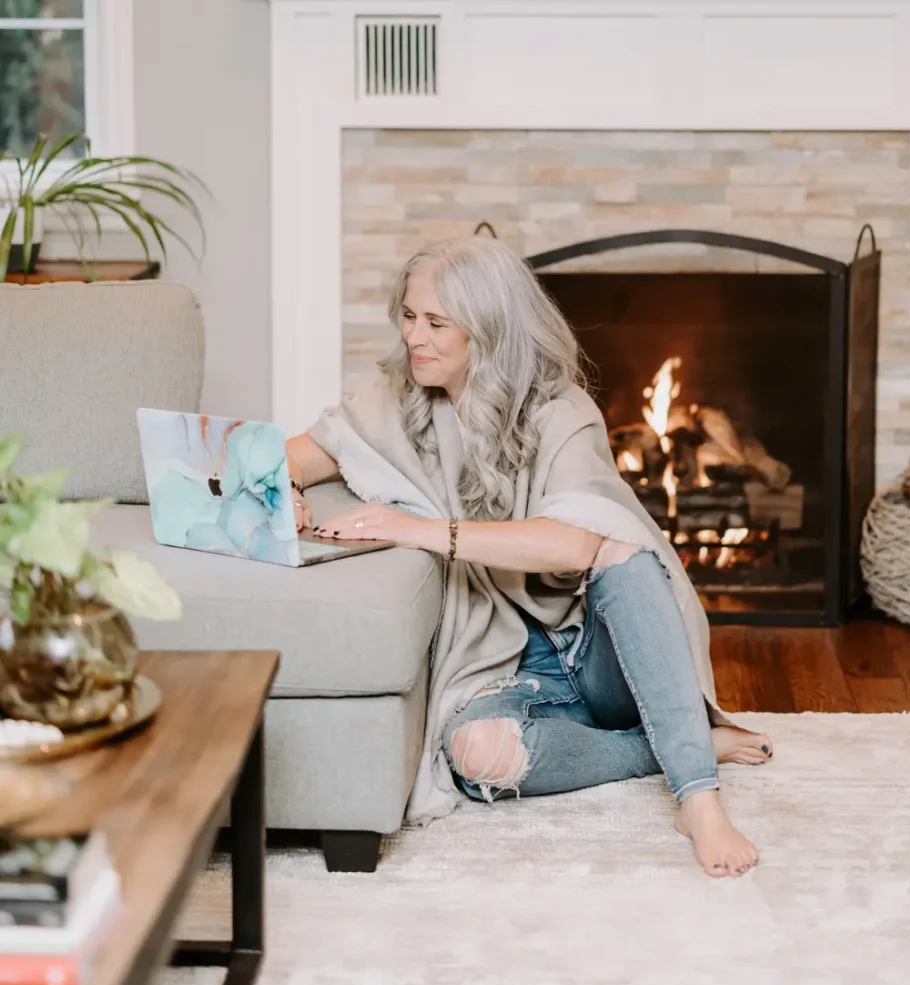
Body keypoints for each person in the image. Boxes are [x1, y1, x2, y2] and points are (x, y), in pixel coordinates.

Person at [285, 236, 772, 878]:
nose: (414, 337)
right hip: (505, 660)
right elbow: (282, 455)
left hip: (601, 651)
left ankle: (699, 799)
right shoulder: (398, 403)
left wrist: (424, 529)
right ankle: (670, 746)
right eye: (408, 316)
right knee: (474, 758)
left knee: (625, 554)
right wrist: (286, 491)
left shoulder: (560, 409)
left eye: (436, 323)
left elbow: (574, 541)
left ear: (488, 330)